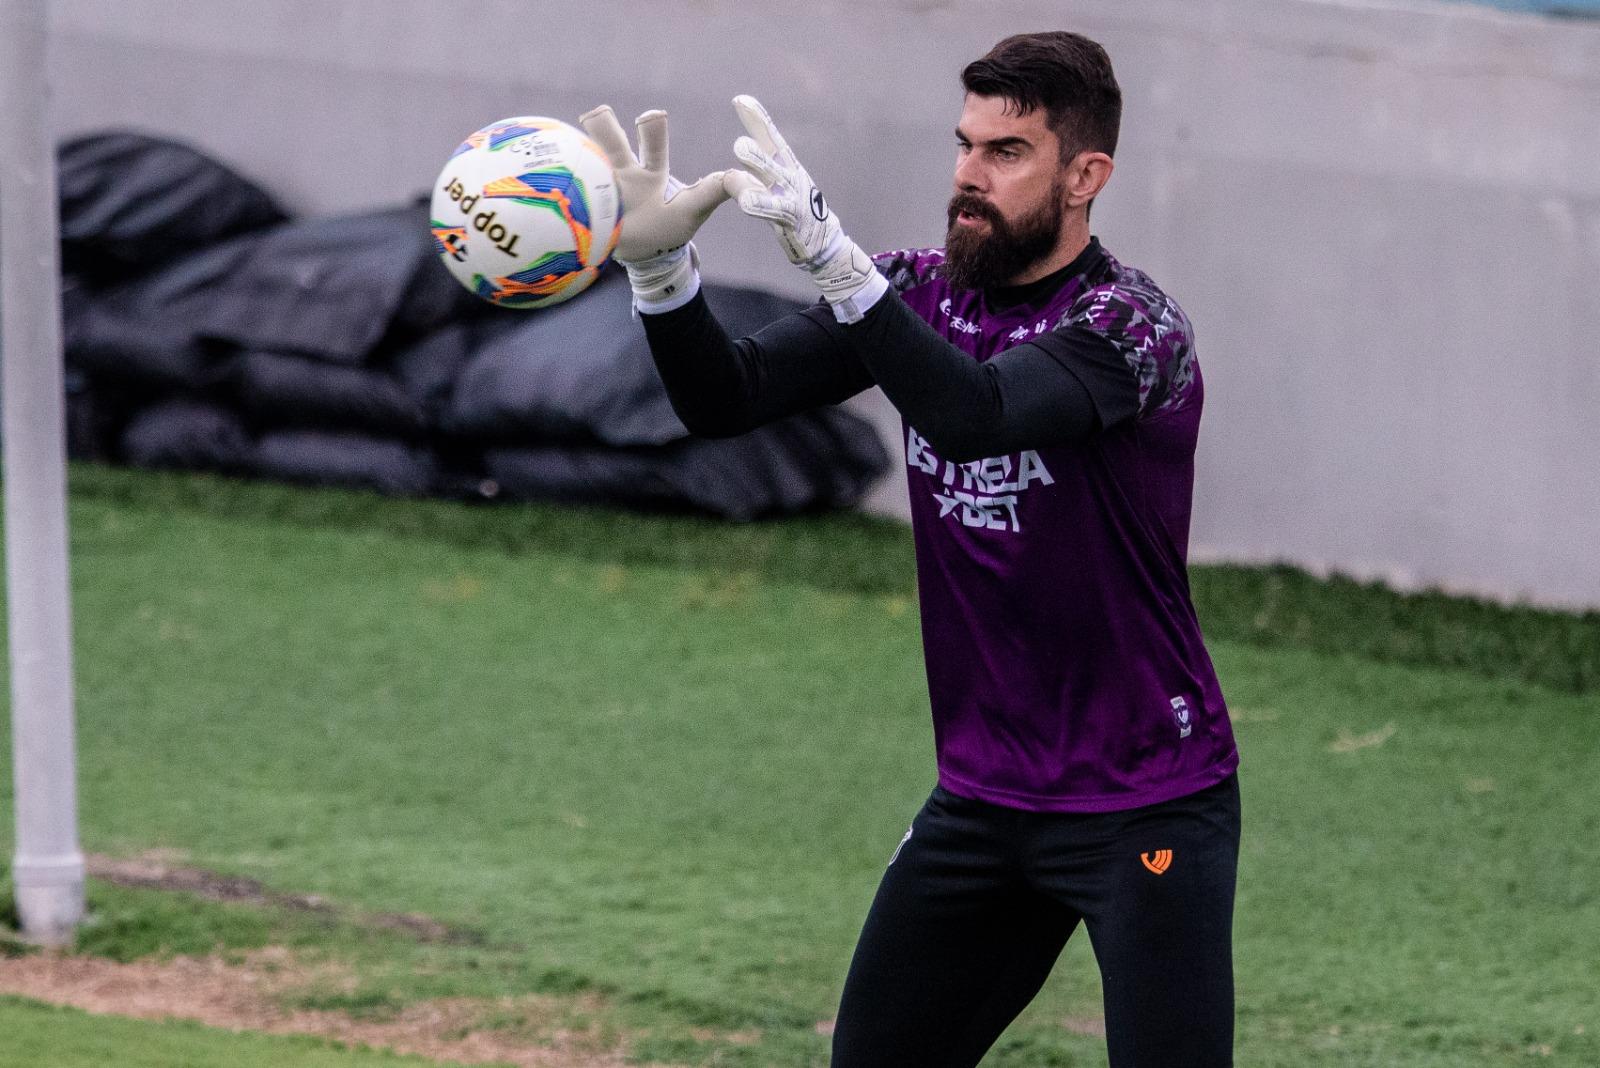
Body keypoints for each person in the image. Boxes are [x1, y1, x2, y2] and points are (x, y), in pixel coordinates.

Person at [581, 29, 1241, 1068]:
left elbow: (976, 413)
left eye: (1006, 153)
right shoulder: (916, 292)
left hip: (1143, 796)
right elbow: (725, 399)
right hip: (983, 797)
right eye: (964, 145)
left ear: (1085, 176)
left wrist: (841, 270)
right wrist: (662, 273)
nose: (968, 177)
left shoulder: (1130, 327)